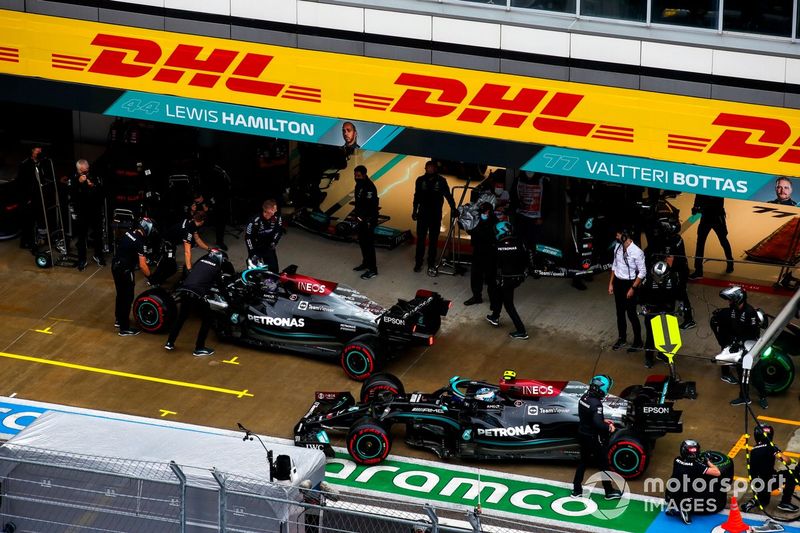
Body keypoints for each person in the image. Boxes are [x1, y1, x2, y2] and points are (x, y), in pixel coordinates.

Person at [165, 248, 233, 357]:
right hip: (196, 295)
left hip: (185, 291)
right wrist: (231, 303)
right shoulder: (216, 268)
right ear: (219, 259)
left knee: (181, 318)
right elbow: (222, 288)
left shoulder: (200, 262)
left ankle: (170, 342)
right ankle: (199, 347)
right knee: (208, 318)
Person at [710, 285, 769, 408]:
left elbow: (753, 334)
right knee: (741, 373)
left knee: (754, 374)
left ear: (738, 299)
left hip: (750, 346)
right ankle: (744, 397)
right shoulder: (732, 310)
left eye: (731, 299)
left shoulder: (749, 312)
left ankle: (763, 396)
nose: (729, 302)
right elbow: (729, 324)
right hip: (739, 346)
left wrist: (740, 342)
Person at [572, 374, 623, 500]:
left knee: (583, 462)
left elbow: (589, 416)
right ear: (602, 389)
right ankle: (609, 491)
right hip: (593, 438)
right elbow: (597, 424)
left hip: (582, 433)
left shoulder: (584, 397)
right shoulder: (596, 404)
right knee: (603, 464)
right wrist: (609, 427)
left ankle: (576, 490)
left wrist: (600, 418)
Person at [649, 217, 695, 330]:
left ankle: (688, 319)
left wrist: (660, 274)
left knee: (679, 295)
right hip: (682, 269)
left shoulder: (670, 241)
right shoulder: (677, 237)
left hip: (678, 272)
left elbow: (669, 261)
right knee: (680, 295)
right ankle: (679, 317)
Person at [741, 425, 799, 514]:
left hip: (757, 484)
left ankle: (753, 501)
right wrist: (790, 460)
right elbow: (785, 461)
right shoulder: (771, 447)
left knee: (764, 501)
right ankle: (785, 502)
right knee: (792, 474)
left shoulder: (753, 450)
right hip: (768, 482)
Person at [486, 221, 528, 340]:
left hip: (506, 279)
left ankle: (522, 331)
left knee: (509, 305)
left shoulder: (496, 247)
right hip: (518, 278)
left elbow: (493, 265)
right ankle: (495, 316)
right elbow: (527, 258)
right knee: (499, 294)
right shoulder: (520, 243)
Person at [111, 217, 153, 336]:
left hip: (115, 267)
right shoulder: (140, 242)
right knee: (127, 298)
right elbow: (143, 265)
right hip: (125, 270)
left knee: (120, 295)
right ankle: (124, 329)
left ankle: (119, 320)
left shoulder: (129, 233)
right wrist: (151, 277)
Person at [412, 161, 456, 272]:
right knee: (421, 239)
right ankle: (418, 262)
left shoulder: (441, 181)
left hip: (435, 215)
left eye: (432, 167)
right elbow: (416, 196)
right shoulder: (420, 180)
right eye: (428, 167)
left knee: (433, 240)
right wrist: (414, 210)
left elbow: (448, 195)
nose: (430, 169)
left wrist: (453, 208)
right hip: (422, 214)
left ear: (436, 169)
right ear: (425, 168)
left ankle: (431, 262)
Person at [664, 440, 721, 525]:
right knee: (701, 486)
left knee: (678, 481)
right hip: (684, 496)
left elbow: (686, 464)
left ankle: (671, 505)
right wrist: (708, 461)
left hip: (670, 491)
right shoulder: (696, 466)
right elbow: (717, 472)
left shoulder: (676, 460)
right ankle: (684, 508)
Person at [608, 228, 646, 352]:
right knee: (620, 313)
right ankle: (622, 338)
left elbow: (642, 271)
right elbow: (615, 265)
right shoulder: (617, 248)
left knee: (631, 314)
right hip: (618, 283)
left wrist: (633, 288)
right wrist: (611, 283)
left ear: (625, 236)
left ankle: (638, 341)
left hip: (630, 284)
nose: (616, 236)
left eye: (618, 234)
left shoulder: (637, 251)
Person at [151, 211, 210, 285]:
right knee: (170, 266)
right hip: (165, 243)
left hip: (171, 243)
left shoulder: (192, 223)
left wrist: (208, 249)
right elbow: (187, 252)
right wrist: (189, 270)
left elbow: (197, 239)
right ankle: (153, 281)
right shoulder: (188, 230)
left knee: (169, 265)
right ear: (202, 221)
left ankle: (158, 280)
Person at [639, 261, 678, 368]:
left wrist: (677, 308)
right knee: (650, 336)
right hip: (652, 311)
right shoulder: (648, 279)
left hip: (667, 311)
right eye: (655, 275)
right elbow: (640, 296)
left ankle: (663, 354)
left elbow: (678, 293)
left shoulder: (673, 278)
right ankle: (648, 358)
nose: (657, 278)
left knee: (666, 335)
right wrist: (644, 308)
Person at [69, 159, 106, 271]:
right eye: (84, 171)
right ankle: (82, 259)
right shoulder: (73, 179)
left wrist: (93, 185)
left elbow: (101, 191)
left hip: (95, 210)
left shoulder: (94, 176)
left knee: (98, 234)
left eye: (87, 169)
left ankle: (98, 255)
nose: (87, 172)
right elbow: (71, 194)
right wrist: (79, 183)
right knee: (81, 237)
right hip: (82, 212)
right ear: (79, 170)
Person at [689, 195, 734, 278]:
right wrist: (695, 207)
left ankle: (730, 262)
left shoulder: (715, 189)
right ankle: (698, 270)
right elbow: (698, 197)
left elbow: (717, 204)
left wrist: (699, 208)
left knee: (723, 241)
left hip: (717, 218)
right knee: (700, 244)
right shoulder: (703, 188)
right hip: (706, 219)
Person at [464, 202, 497, 306]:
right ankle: (477, 296)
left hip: (490, 252)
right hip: (478, 250)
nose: (483, 214)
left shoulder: (495, 221)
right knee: (475, 275)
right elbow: (470, 230)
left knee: (491, 278)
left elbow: (493, 235)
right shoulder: (477, 219)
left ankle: (493, 300)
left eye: (485, 212)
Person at [510, 171, 544, 264]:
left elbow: (547, 200)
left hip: (536, 218)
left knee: (535, 243)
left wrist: (542, 217)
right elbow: (513, 195)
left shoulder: (543, 181)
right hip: (521, 217)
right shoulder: (518, 180)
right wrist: (517, 206)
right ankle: (522, 263)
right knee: (520, 241)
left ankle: (535, 264)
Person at [352, 165, 379, 280]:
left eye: (358, 175)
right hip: (360, 218)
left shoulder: (369, 187)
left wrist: (362, 217)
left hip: (368, 219)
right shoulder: (359, 184)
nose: (356, 177)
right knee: (362, 242)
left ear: (364, 175)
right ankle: (365, 263)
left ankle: (373, 269)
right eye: (355, 175)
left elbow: (369, 205)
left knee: (369, 244)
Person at [16, 145, 44, 251]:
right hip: (28, 197)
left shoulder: (40, 162)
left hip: (37, 195)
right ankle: (31, 244)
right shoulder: (25, 164)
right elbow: (21, 182)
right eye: (38, 149)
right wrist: (26, 197)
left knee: (34, 219)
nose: (40, 150)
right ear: (32, 150)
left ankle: (27, 242)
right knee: (29, 221)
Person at [245, 199, 283, 273]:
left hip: (269, 244)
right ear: (267, 210)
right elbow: (248, 237)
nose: (276, 210)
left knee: (273, 268)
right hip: (255, 244)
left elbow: (279, 231)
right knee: (253, 268)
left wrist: (274, 242)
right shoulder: (254, 220)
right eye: (274, 209)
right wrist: (252, 252)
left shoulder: (277, 217)